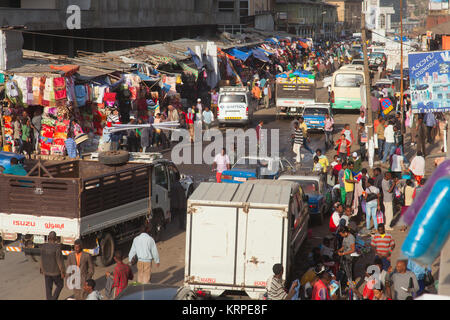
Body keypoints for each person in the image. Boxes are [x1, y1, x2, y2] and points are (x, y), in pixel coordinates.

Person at [40, 231, 65, 300]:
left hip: (46, 271)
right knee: (60, 285)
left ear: (48, 238)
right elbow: (59, 261)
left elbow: (41, 259)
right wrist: (62, 271)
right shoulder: (57, 247)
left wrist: (42, 269)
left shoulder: (43, 246)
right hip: (55, 272)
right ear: (56, 238)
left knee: (48, 288)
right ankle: (54, 298)